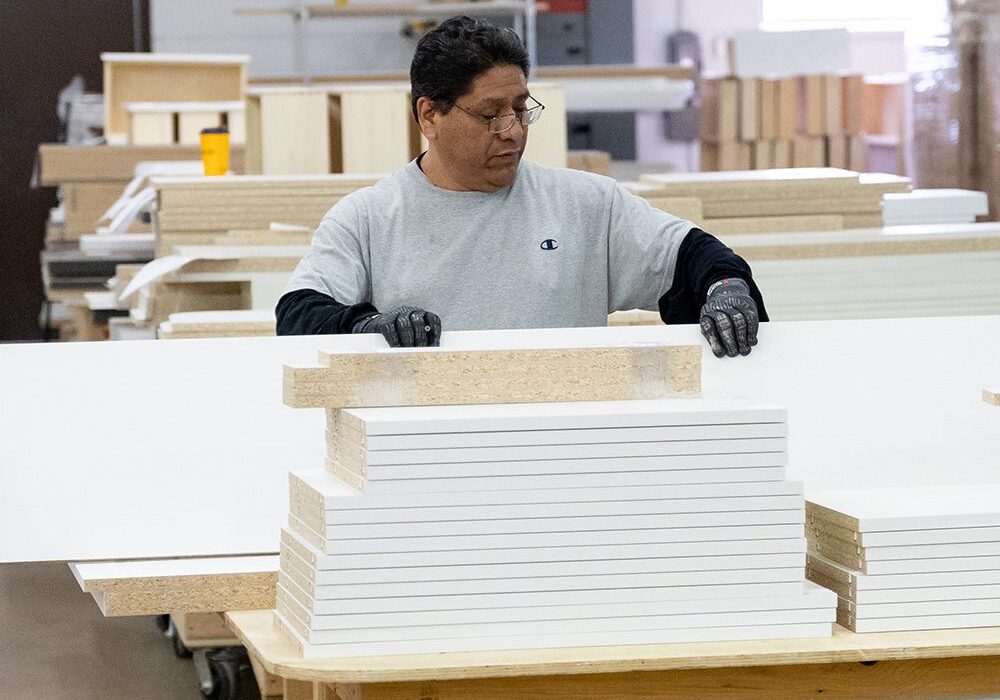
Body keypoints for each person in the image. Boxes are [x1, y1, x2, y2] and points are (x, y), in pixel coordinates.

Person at [276, 16, 767, 358]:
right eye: (490, 114)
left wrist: (727, 288)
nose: (512, 129)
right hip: (428, 460)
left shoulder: (585, 205)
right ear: (430, 115)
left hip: (567, 455)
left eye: (520, 107)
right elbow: (298, 314)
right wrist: (366, 329)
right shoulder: (368, 219)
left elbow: (695, 255)